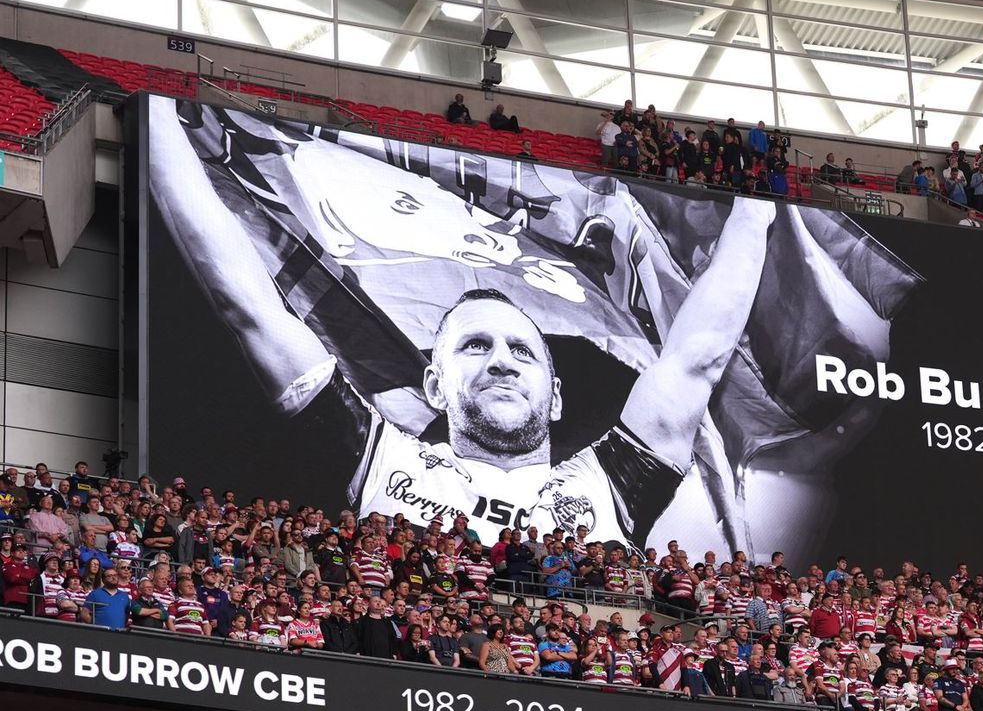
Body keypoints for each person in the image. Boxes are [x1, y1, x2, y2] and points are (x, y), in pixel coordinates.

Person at [147, 98, 779, 547]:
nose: (502, 359)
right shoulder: (380, 460)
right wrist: (153, 114)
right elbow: (248, 306)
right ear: (433, 386)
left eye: (522, 351)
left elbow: (698, 355)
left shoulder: (612, 484)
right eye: (475, 346)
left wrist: (755, 218)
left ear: (556, 396)